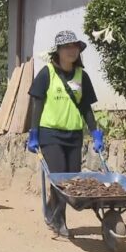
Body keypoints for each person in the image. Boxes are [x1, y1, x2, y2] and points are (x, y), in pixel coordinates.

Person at [27, 30, 104, 238]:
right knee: (60, 178)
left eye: (75, 47)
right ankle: (59, 221)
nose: (72, 51)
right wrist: (34, 133)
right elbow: (38, 103)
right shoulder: (47, 73)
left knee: (71, 182)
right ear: (58, 51)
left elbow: (86, 107)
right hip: (50, 134)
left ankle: (52, 209)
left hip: (74, 135)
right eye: (67, 47)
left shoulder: (82, 76)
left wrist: (95, 132)